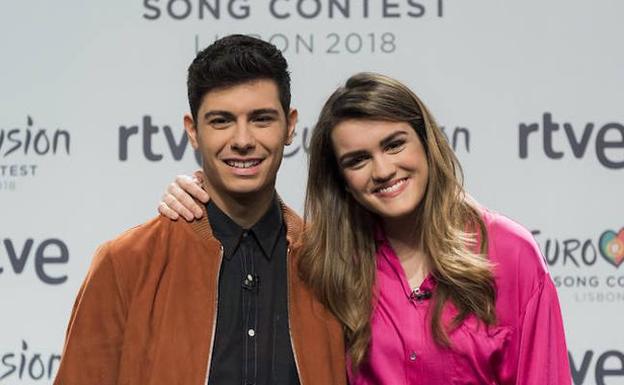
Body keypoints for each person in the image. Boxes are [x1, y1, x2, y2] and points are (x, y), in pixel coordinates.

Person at [160, 72, 572, 384]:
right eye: (357, 160)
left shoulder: (508, 251)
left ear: (426, 141)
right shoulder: (325, 262)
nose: (383, 170)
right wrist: (201, 191)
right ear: (340, 178)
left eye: (394, 144)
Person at [53, 35, 346, 385]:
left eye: (261, 119)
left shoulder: (331, 264)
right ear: (193, 132)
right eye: (221, 121)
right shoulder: (126, 262)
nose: (242, 140)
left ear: (290, 125)